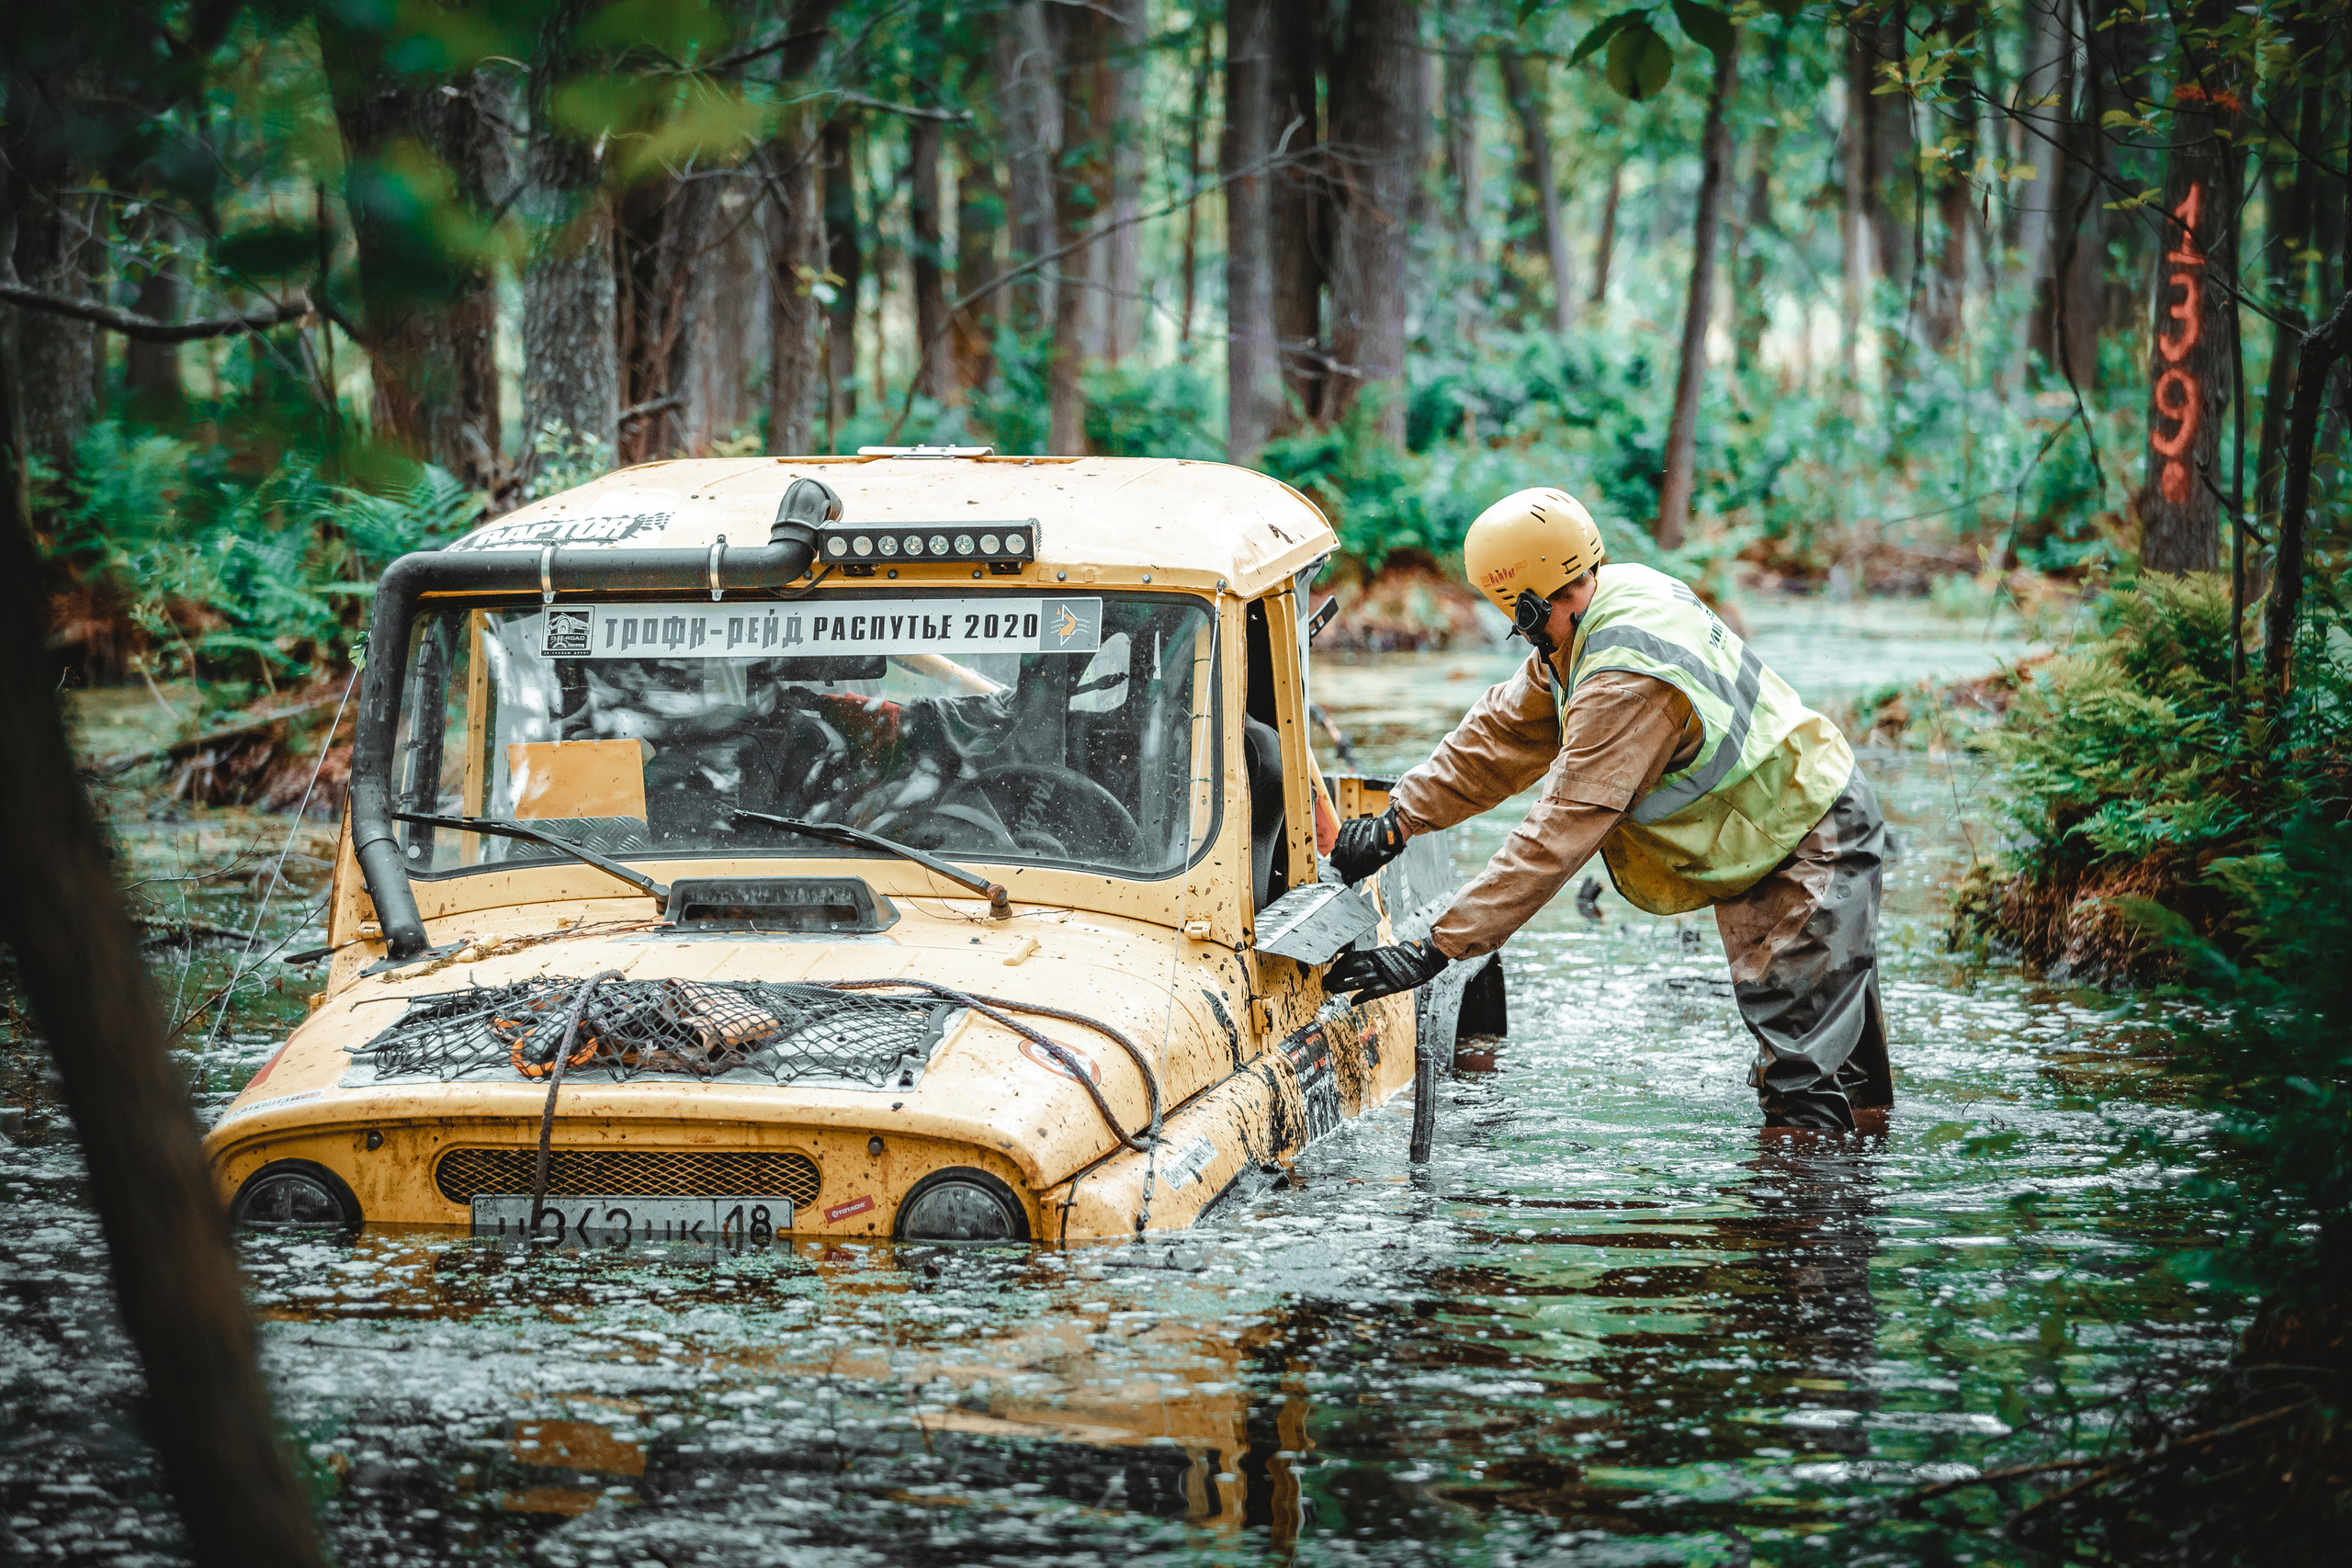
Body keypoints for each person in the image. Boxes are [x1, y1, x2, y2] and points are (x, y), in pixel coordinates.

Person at [1323, 488, 1893, 1131]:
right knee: (1848, 1079)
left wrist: (1434, 948)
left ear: (1531, 603)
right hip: (1781, 824)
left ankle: (1808, 1194)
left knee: (1802, 1089)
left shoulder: (1624, 682)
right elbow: (1504, 732)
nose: (1524, 635)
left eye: (1519, 619)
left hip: (1807, 842)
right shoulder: (1605, 605)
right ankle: (1859, 1178)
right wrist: (1398, 819)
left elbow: (1557, 834)